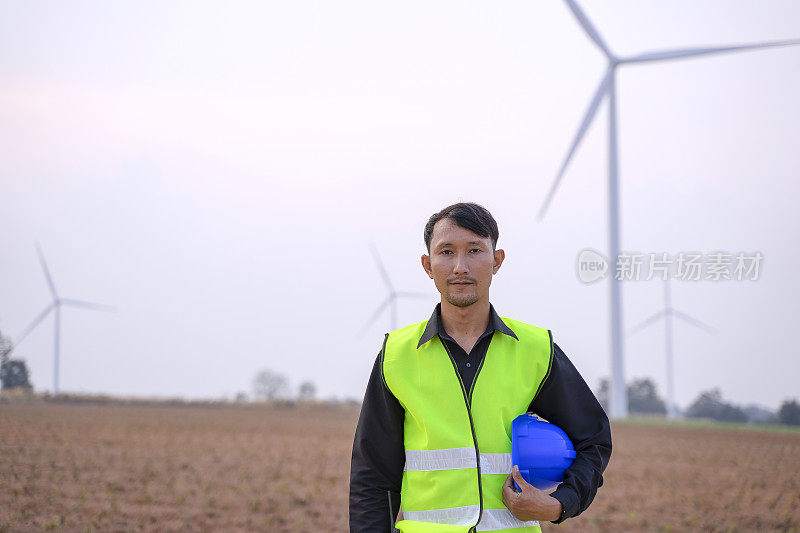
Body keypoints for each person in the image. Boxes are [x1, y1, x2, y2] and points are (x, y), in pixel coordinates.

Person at [350, 202, 611, 532]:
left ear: (497, 261)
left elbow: (594, 440)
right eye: (446, 252)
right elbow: (372, 478)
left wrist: (560, 503)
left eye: (474, 250)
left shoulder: (535, 350)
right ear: (428, 265)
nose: (460, 266)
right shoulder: (396, 355)